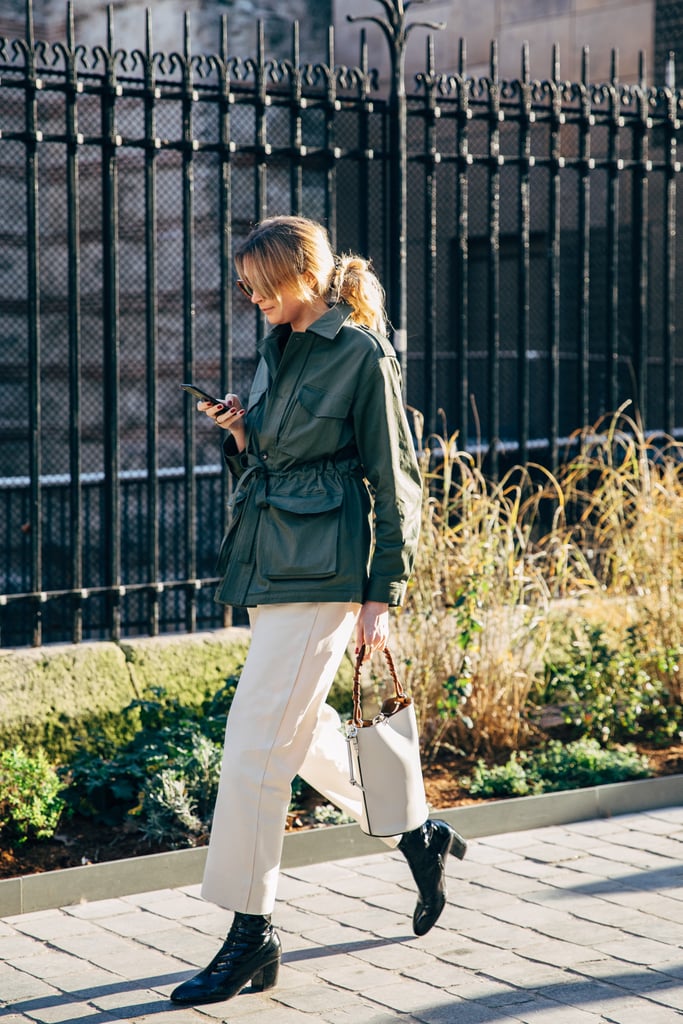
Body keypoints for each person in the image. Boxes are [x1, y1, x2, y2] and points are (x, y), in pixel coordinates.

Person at [170, 215, 467, 1007]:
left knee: (251, 748)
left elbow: (394, 475)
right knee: (294, 738)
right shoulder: (279, 343)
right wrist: (241, 431)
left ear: (305, 277)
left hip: (329, 569)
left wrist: (383, 594)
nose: (254, 300)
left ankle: (249, 931)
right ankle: (417, 832)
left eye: (265, 287)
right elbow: (275, 449)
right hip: (271, 560)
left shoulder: (361, 353)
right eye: (249, 289)